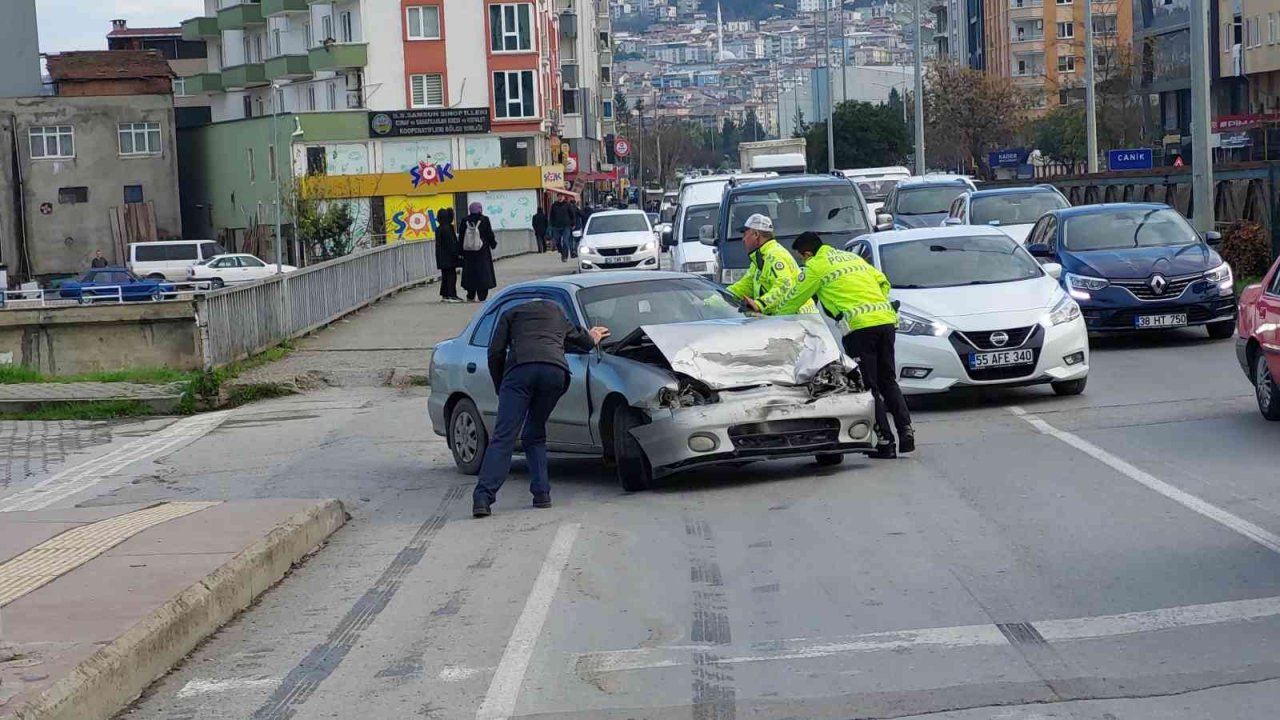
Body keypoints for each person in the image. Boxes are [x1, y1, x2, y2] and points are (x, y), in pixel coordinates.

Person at [773, 232, 914, 458]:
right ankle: (906, 432)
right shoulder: (851, 258)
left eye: (802, 258)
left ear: (807, 253)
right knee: (888, 379)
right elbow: (882, 281)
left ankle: (886, 442)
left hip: (859, 327)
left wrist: (772, 319)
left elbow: (792, 301)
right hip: (886, 320)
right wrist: (873, 301)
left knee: (869, 387)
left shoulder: (815, 267)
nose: (803, 262)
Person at [473, 300, 610, 517]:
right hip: (554, 374)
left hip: (519, 372)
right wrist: (593, 336)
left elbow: (495, 352)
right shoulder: (556, 312)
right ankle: (541, 494)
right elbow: (582, 342)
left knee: (504, 437)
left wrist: (501, 385)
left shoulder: (510, 313)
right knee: (534, 433)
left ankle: (483, 498)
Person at [727, 214, 817, 315]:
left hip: (800, 318)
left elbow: (785, 286)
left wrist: (759, 304)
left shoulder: (774, 255)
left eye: (745, 234)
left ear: (756, 235)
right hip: (788, 318)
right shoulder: (759, 259)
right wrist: (714, 299)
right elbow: (744, 286)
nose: (743, 239)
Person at [460, 202, 498, 302]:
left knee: (470, 273)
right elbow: (489, 234)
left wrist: (460, 251)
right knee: (483, 272)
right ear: (480, 209)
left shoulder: (464, 221)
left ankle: (470, 294)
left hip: (468, 252)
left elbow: (461, 237)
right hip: (482, 251)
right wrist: (493, 244)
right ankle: (482, 295)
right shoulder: (484, 220)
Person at [434, 207, 462, 303]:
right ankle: (451, 295)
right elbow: (451, 244)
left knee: (445, 275)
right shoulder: (448, 228)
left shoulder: (439, 229)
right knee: (451, 275)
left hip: (441, 257)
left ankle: (445, 294)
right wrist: (457, 254)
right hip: (449, 257)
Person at [549, 197, 574, 262]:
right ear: (557, 197)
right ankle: (561, 251)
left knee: (565, 241)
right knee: (557, 241)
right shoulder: (554, 205)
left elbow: (572, 214)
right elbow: (551, 215)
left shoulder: (567, 205)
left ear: (563, 197)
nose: (560, 198)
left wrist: (573, 223)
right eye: (559, 196)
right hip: (557, 226)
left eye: (561, 196)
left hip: (566, 226)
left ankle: (564, 256)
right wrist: (552, 224)